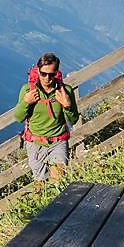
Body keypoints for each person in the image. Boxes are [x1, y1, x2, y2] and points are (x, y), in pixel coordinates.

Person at [15, 52, 78, 184]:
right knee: (40, 184)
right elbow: (18, 117)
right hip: (35, 143)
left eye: (52, 74)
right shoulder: (28, 90)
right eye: (43, 73)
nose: (47, 78)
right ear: (38, 71)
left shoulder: (65, 91)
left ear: (57, 73)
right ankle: (42, 204)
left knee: (58, 182)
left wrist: (67, 106)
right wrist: (26, 102)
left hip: (58, 141)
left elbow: (73, 120)